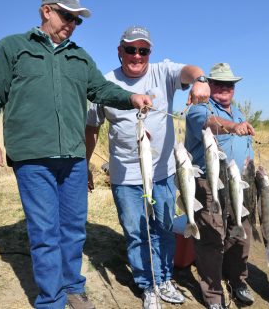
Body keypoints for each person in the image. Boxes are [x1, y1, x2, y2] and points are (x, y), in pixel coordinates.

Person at [0, 0, 151, 309]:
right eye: (67, 16)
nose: (72, 23)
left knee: (73, 228)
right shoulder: (12, 47)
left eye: (77, 20)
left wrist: (131, 98)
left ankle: (72, 287)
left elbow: (101, 88)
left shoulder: (80, 57)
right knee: (44, 231)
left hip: (73, 157)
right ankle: (51, 300)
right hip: (31, 157)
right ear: (46, 11)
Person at [85, 26, 210, 309]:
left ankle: (165, 278)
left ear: (149, 53)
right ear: (120, 51)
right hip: (125, 176)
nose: (137, 55)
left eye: (143, 50)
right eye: (131, 49)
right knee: (135, 231)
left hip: (164, 172)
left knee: (163, 227)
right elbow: (92, 127)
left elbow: (189, 70)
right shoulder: (105, 84)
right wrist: (85, 164)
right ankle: (148, 285)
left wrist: (200, 79)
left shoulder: (161, 72)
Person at [185, 63, 256, 309]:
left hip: (238, 183)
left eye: (230, 84)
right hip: (208, 182)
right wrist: (232, 127)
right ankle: (214, 296)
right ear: (209, 85)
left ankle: (238, 281)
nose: (225, 88)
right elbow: (210, 122)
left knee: (240, 234)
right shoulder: (198, 108)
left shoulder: (237, 111)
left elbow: (246, 146)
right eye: (219, 83)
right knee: (212, 238)